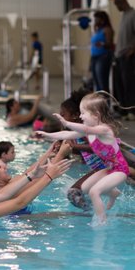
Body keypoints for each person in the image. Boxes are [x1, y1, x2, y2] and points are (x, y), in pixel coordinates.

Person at [37, 92, 129, 225]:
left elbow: (84, 128)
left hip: (120, 169)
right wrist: (48, 135)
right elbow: (67, 133)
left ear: (96, 115)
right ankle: (113, 193)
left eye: (83, 113)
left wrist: (65, 122)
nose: (80, 116)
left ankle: (101, 223)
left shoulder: (104, 130)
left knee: (94, 192)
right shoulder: (90, 130)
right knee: (83, 188)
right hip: (110, 168)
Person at [59, 89, 107, 211]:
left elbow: (97, 148)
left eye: (63, 114)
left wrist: (74, 147)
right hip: (100, 168)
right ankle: (93, 210)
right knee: (75, 193)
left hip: (107, 167)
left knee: (73, 193)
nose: (61, 117)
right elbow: (84, 151)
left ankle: (91, 213)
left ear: (75, 115)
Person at [113, 0, 135, 120]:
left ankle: (132, 111)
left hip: (127, 55)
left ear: (123, 2)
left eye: (117, 5)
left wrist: (132, 50)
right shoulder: (123, 15)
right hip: (119, 55)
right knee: (120, 85)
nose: (117, 8)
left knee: (129, 84)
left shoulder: (133, 14)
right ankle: (124, 110)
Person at [90, 11, 114, 92]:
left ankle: (105, 103)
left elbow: (109, 44)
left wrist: (102, 44)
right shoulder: (97, 30)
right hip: (94, 57)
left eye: (97, 19)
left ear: (102, 19)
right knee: (96, 82)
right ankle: (98, 102)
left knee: (102, 82)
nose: (95, 21)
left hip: (103, 57)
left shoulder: (107, 29)